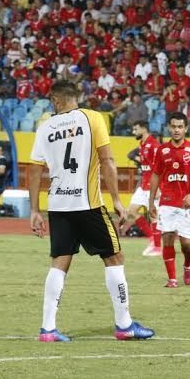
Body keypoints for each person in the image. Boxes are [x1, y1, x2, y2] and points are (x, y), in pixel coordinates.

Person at [28, 80, 154, 342]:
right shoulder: (93, 118)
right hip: (88, 204)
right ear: (76, 97)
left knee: (59, 263)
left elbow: (34, 169)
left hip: (58, 206)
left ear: (56, 100)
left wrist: (34, 210)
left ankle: (48, 329)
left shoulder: (45, 127)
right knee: (114, 257)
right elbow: (107, 159)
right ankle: (124, 325)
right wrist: (118, 201)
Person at [149, 112, 190, 288]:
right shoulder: (162, 150)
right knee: (167, 238)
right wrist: (151, 202)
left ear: (186, 128)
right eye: (173, 126)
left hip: (187, 203)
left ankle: (188, 265)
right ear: (169, 128)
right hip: (167, 201)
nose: (176, 130)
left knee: (187, 244)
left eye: (180, 126)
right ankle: (172, 279)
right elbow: (156, 175)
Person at [123, 120, 162, 256]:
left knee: (154, 216)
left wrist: (159, 187)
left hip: (153, 186)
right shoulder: (142, 144)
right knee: (131, 211)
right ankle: (152, 238)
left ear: (144, 129)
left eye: (136, 129)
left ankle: (157, 247)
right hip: (144, 185)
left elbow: (161, 167)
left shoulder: (154, 145)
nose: (134, 132)